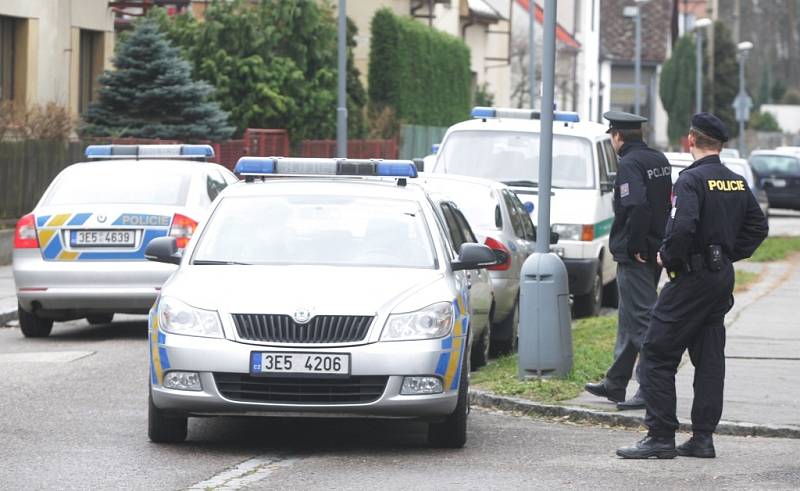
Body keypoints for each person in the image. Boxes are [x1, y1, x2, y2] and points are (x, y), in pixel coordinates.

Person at [617, 113, 768, 459]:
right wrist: (727, 254)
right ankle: (702, 438)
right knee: (709, 357)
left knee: (655, 352)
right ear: (720, 144)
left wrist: (667, 257)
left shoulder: (690, 181)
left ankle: (660, 436)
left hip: (691, 278)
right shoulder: (735, 180)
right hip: (718, 278)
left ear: (690, 140)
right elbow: (758, 227)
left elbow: (682, 227)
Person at [584, 111, 672, 411]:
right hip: (654, 249)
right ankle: (615, 382)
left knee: (643, 321)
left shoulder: (630, 164)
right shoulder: (658, 160)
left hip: (636, 253)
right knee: (628, 318)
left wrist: (634, 244)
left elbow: (636, 206)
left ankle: (650, 388)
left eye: (612, 137)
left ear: (617, 137)